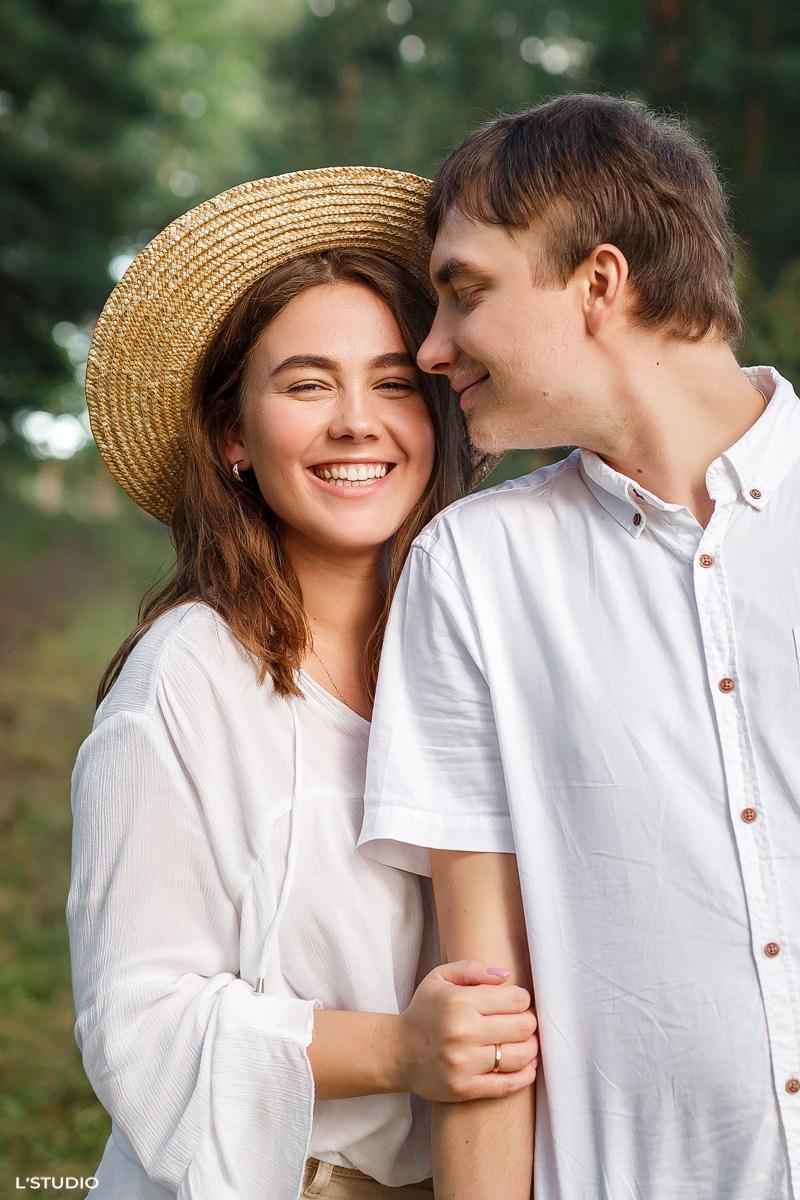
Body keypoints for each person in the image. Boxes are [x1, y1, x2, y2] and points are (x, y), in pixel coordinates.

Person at [67, 167, 539, 1200]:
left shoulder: (489, 653)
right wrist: (400, 1052)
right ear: (233, 437)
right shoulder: (187, 678)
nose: (356, 422)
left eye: (391, 382)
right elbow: (137, 1025)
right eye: (305, 383)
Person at [359, 95, 800, 1199]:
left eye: (463, 292)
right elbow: (484, 1006)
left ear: (600, 283)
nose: (432, 348)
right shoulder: (471, 569)